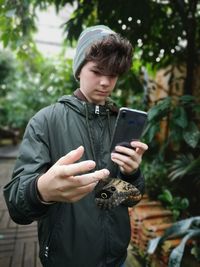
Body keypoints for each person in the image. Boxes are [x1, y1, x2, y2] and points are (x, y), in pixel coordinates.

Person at [3, 25, 148, 267]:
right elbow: (17, 206)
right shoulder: (45, 121)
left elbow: (125, 199)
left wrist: (132, 175)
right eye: (97, 71)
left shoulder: (119, 122)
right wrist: (41, 191)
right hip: (67, 259)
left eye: (112, 74)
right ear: (79, 69)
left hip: (117, 258)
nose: (105, 82)